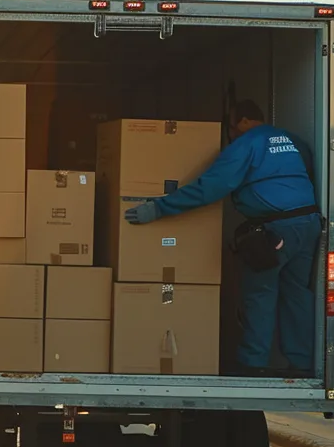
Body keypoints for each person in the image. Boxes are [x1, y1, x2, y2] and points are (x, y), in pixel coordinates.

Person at [124, 100, 320, 379]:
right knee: (297, 293)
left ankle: (253, 363)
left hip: (275, 229)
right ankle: (300, 362)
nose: (230, 133)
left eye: (231, 126)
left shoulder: (245, 145)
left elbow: (212, 187)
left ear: (242, 122)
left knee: (260, 294)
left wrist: (158, 208)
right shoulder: (293, 141)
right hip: (308, 223)